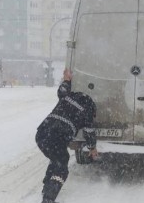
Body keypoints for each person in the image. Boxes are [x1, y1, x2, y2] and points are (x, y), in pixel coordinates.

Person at [35, 69, 98, 203]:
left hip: (41, 133)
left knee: (57, 157)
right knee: (62, 168)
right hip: (57, 136)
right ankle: (48, 198)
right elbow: (89, 131)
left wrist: (67, 79)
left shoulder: (67, 97)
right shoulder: (87, 110)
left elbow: (62, 90)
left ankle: (47, 185)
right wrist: (92, 148)